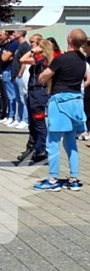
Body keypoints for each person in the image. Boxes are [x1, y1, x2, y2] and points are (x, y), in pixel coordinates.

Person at [35, 29, 88, 191]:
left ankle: (52, 179)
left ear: (70, 40)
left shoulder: (61, 59)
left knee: (53, 142)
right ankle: (73, 178)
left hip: (60, 102)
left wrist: (44, 76)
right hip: (76, 102)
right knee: (71, 142)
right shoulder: (83, 60)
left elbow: (43, 77)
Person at [17, 35, 51, 163]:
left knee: (39, 123)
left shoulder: (42, 58)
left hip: (38, 93)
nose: (32, 45)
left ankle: (44, 149)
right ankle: (33, 148)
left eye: (34, 44)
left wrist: (32, 51)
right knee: (33, 124)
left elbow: (22, 59)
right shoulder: (40, 58)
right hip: (33, 93)